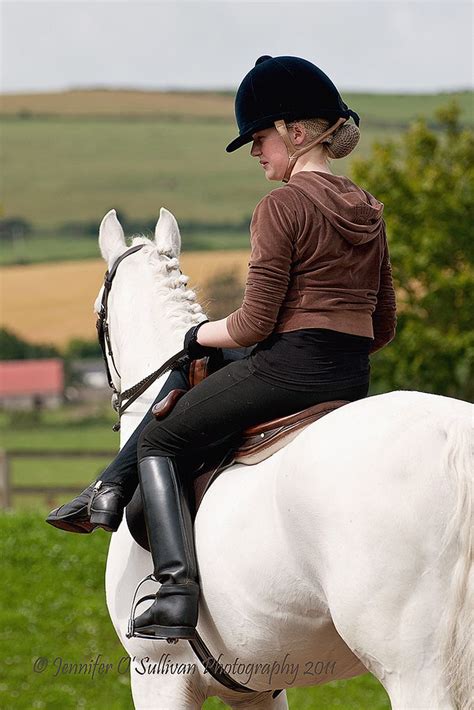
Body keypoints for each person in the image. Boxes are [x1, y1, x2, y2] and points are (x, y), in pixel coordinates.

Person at [46, 55, 397, 641]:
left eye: (260, 137)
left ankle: (175, 590)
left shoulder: (281, 206)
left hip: (288, 372)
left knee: (160, 438)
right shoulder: (368, 209)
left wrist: (196, 333)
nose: (256, 151)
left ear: (297, 132)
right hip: (348, 377)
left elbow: (254, 324)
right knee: (204, 369)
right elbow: (381, 325)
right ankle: (105, 490)